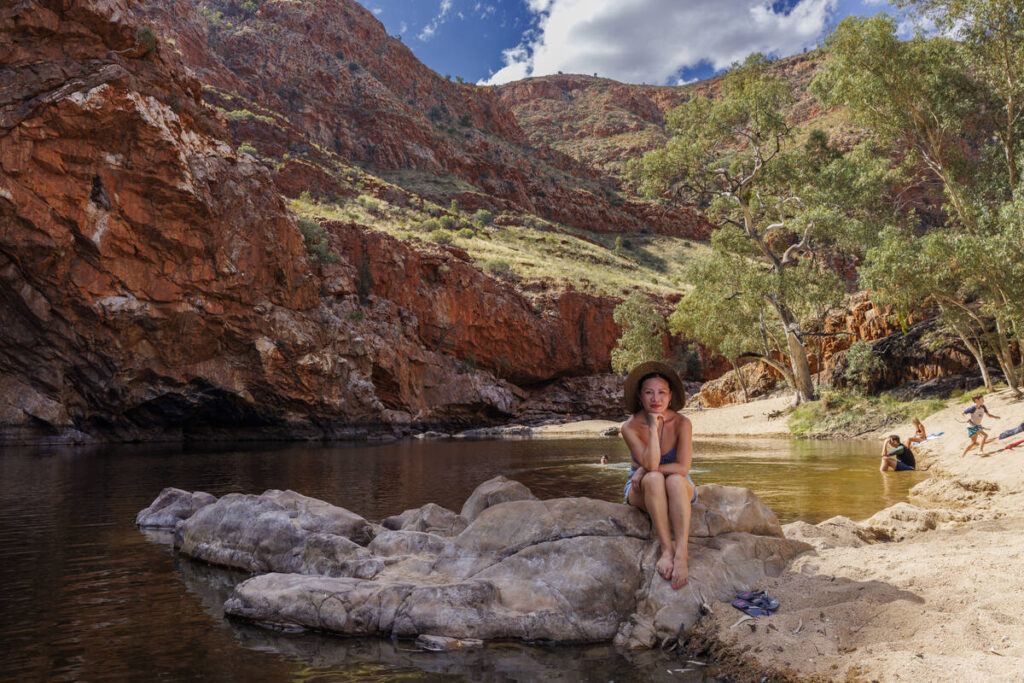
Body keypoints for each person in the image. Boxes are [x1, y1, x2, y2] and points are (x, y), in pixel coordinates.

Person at [620, 361, 695, 590]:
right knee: (653, 479)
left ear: (670, 396)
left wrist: (646, 468)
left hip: (677, 484)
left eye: (662, 393)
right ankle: (666, 549)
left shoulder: (683, 423)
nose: (656, 399)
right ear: (640, 397)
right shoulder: (629, 427)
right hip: (643, 488)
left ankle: (681, 554)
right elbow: (652, 464)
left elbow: (682, 468)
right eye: (649, 393)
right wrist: (653, 427)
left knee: (673, 480)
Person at [961, 393, 1001, 457]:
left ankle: (962, 455)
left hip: (977, 426)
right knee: (985, 435)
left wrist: (996, 417)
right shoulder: (972, 408)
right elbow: (963, 413)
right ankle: (980, 451)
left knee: (973, 443)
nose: (983, 400)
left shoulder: (983, 407)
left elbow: (989, 415)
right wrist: (966, 418)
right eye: (982, 399)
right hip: (972, 426)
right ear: (976, 400)